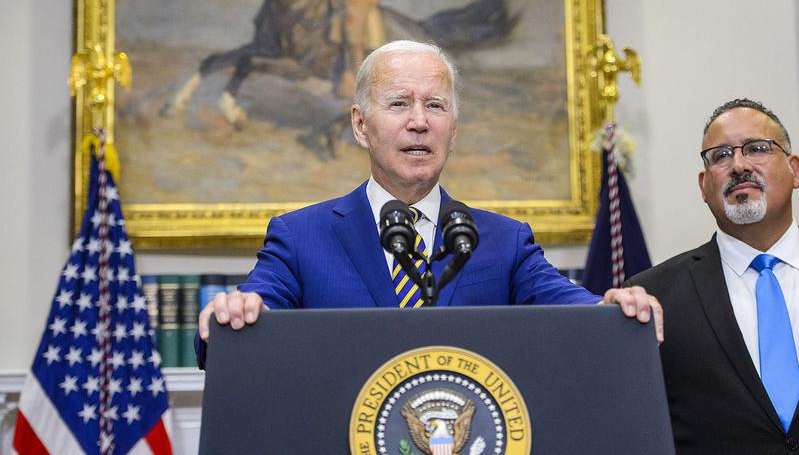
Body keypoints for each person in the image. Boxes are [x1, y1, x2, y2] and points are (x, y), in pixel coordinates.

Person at [197, 40, 662, 366]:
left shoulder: (504, 241)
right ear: (361, 125)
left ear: (453, 131)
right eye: (399, 103)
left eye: (436, 106)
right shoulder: (300, 237)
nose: (419, 122)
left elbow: (576, 313)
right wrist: (229, 315)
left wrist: (613, 311)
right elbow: (248, 319)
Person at [627, 98, 799, 454]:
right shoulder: (654, 295)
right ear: (703, 185)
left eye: (757, 148)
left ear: (795, 170)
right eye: (720, 155)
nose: (738, 165)